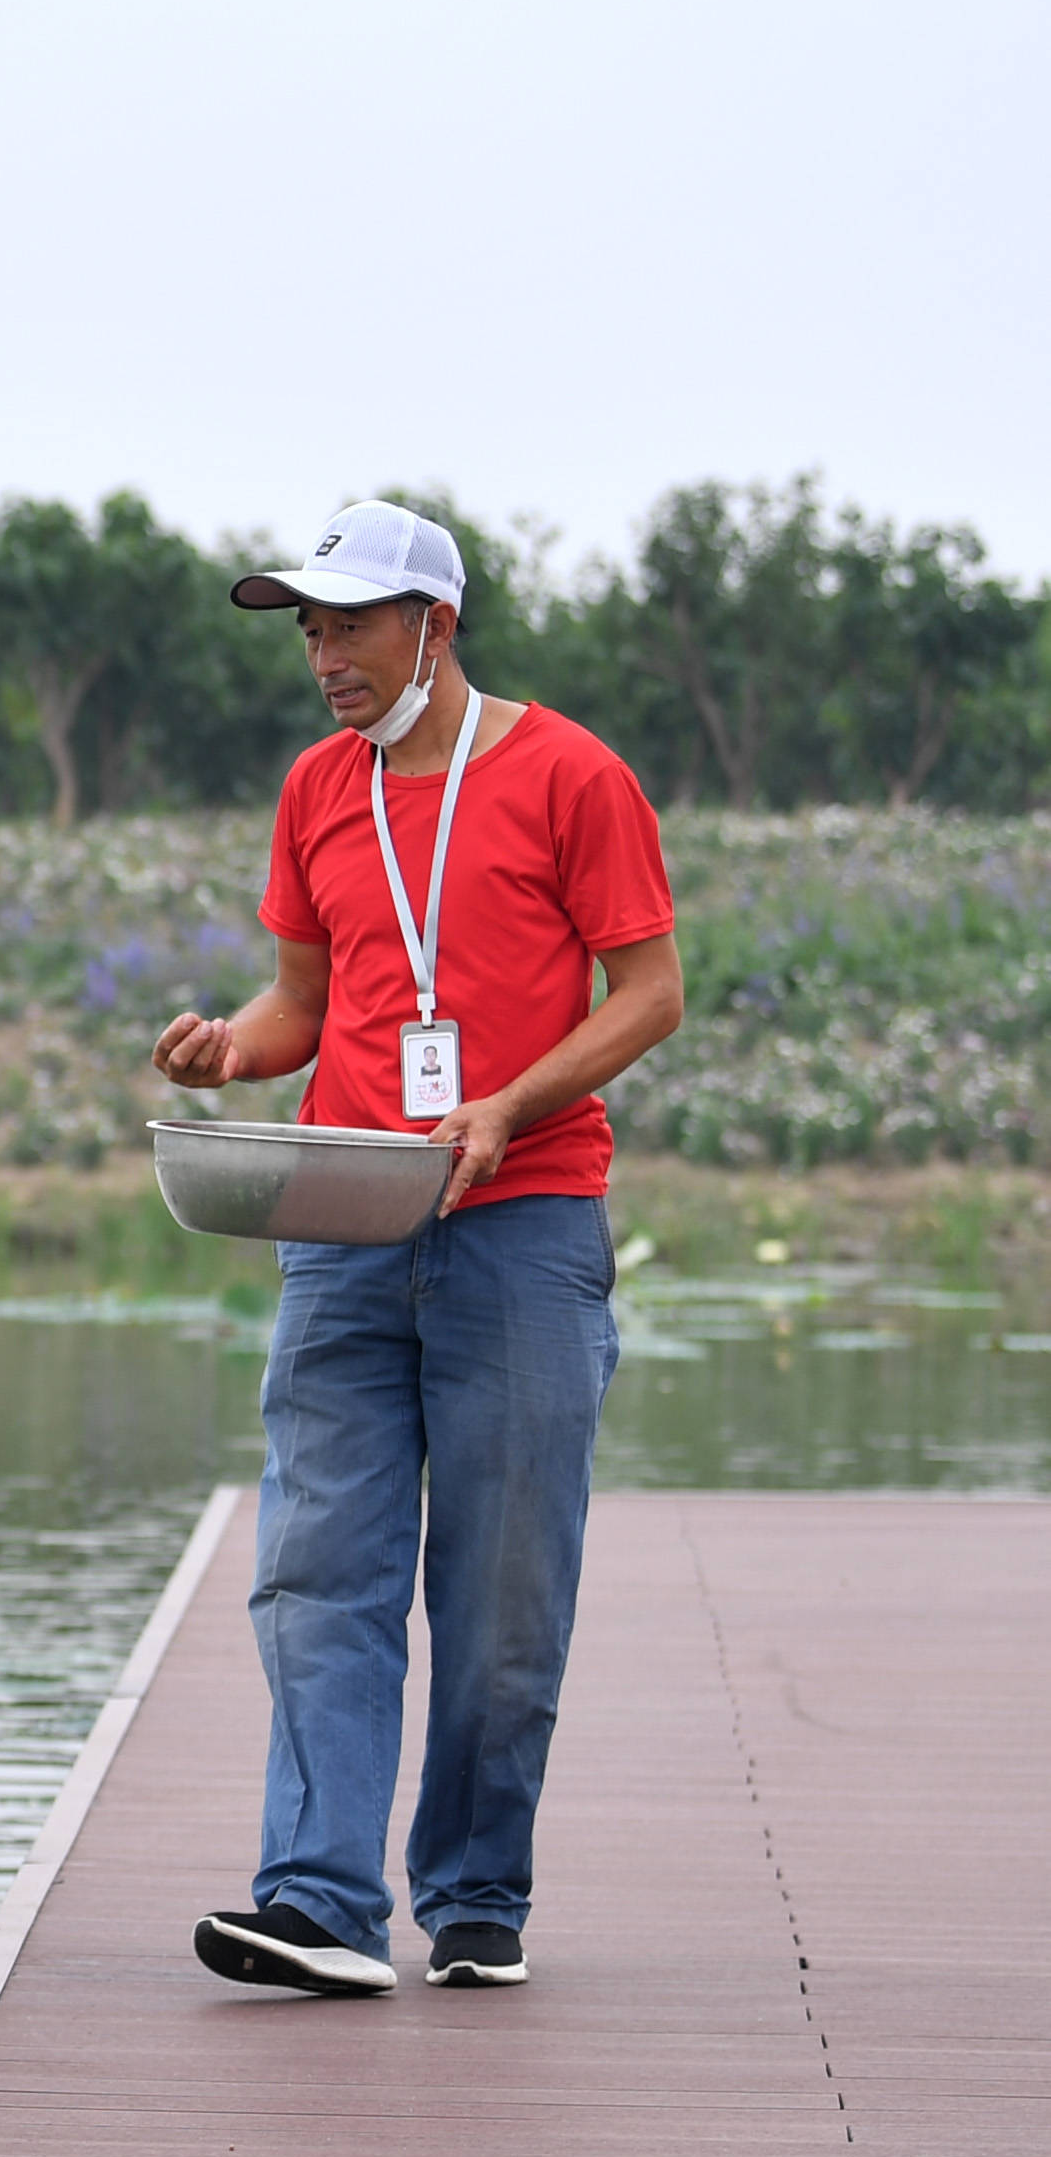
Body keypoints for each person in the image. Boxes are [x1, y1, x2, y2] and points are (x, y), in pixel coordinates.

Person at [151, 500, 681, 1996]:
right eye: (307, 630)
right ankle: (316, 1901)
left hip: (522, 1223)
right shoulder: (318, 789)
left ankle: (471, 1893)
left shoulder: (572, 773)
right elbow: (299, 1009)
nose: (321, 657)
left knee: (501, 1584)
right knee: (317, 1566)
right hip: (341, 1222)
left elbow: (648, 993)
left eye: (345, 626)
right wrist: (224, 1057)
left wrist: (511, 1101)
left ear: (430, 627)